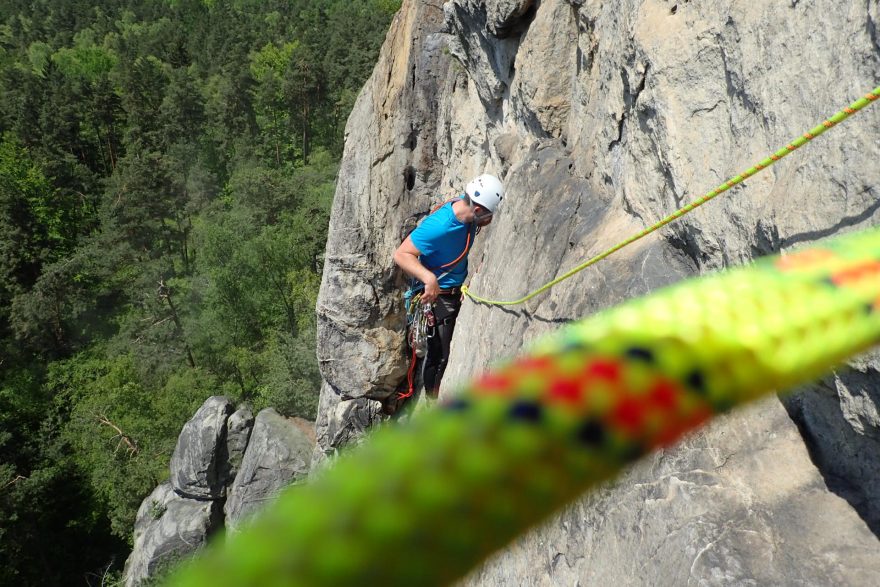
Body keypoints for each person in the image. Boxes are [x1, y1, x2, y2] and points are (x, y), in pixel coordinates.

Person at [393, 174, 505, 399]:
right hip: (439, 297)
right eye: (490, 215)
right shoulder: (441, 226)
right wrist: (429, 279)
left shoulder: (468, 218)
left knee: (442, 353)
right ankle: (432, 404)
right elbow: (401, 254)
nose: (491, 220)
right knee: (440, 355)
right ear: (479, 210)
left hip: (453, 289)